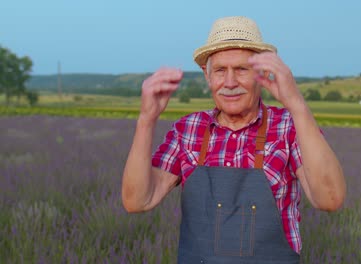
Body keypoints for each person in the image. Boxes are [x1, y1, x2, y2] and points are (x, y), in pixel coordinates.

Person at [122, 16, 346, 263]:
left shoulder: (289, 127)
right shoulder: (187, 130)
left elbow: (330, 199)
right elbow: (137, 200)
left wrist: (297, 104)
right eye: (220, 70)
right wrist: (146, 119)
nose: (229, 83)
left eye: (241, 69)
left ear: (261, 74)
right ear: (207, 77)